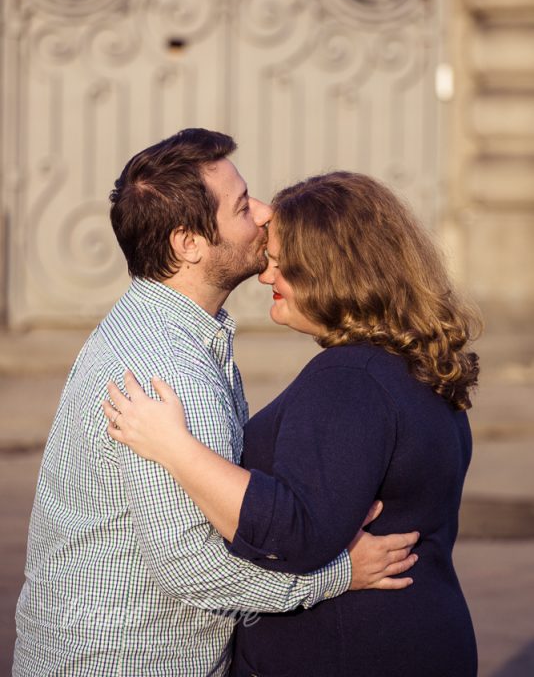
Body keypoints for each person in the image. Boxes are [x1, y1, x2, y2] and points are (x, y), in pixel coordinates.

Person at [13, 131, 419, 677]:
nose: (265, 211)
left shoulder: (149, 327)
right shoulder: (171, 372)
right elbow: (194, 566)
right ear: (189, 243)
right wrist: (340, 573)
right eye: (241, 205)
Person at [104, 170, 481, 677]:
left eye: (280, 264)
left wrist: (173, 446)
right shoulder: (410, 363)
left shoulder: (352, 379)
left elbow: (293, 532)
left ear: (330, 272)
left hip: (354, 652)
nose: (266, 277)